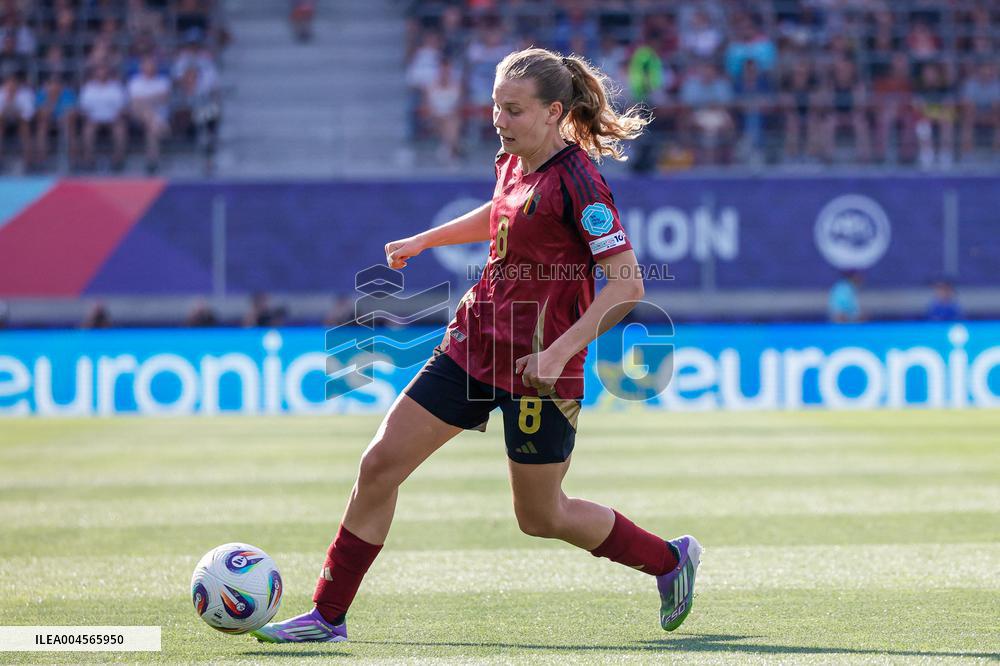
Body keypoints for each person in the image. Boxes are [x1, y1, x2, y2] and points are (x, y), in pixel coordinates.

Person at [252, 47, 702, 644]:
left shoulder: (582, 184)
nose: (499, 119)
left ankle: (670, 561)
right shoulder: (513, 159)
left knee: (541, 516)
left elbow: (628, 285)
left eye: (513, 109)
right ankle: (327, 616)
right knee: (379, 464)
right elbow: (502, 214)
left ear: (554, 113)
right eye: (495, 105)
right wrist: (425, 239)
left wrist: (559, 352)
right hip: (473, 345)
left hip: (540, 370)